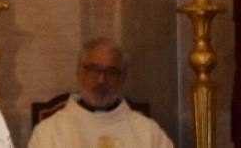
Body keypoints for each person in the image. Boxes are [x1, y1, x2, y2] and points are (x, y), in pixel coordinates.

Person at [27, 38, 173, 148]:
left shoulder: (148, 133)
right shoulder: (49, 132)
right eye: (93, 69)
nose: (101, 80)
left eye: (111, 72)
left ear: (123, 77)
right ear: (79, 71)